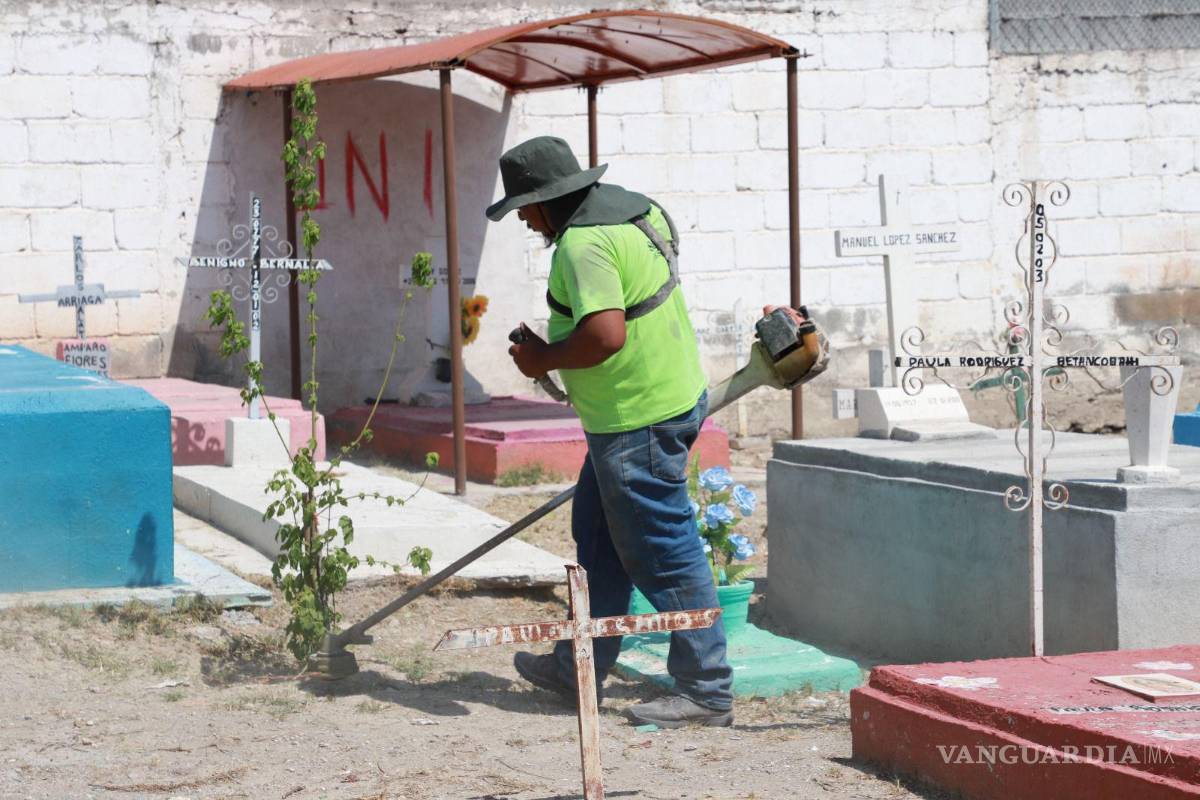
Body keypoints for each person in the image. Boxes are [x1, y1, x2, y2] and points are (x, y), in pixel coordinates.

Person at [485, 136, 734, 728]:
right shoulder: (635, 211)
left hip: (636, 420)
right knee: (598, 539)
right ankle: (578, 666)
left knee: (662, 550)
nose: (523, 220)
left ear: (547, 199)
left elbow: (605, 336)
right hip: (660, 401)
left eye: (523, 207)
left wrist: (541, 359)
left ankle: (706, 690)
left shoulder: (583, 244)